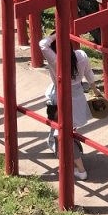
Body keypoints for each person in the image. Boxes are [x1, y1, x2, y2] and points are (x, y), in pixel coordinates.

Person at [39, 32, 103, 181]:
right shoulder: (81, 55)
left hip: (61, 98)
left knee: (63, 135)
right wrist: (95, 90)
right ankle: (68, 151)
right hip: (78, 96)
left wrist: (56, 35)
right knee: (68, 130)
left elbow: (43, 44)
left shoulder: (55, 59)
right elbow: (89, 74)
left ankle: (80, 169)